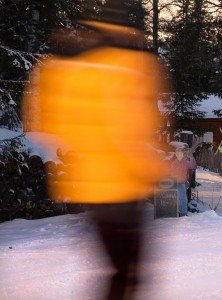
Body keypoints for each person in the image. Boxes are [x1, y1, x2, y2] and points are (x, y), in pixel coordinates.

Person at [21, 2, 169, 299]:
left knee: (119, 271)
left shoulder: (62, 70)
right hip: (124, 185)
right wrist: (158, 168)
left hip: (90, 185)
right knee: (128, 274)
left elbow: (46, 119)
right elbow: (135, 128)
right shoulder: (133, 68)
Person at [170, 146, 197, 216]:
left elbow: (193, 166)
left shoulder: (185, 162)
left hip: (181, 183)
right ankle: (173, 212)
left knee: (183, 198)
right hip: (173, 183)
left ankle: (182, 213)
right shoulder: (173, 163)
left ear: (182, 154)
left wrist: (191, 157)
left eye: (180, 153)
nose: (179, 155)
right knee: (173, 198)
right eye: (177, 153)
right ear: (175, 154)